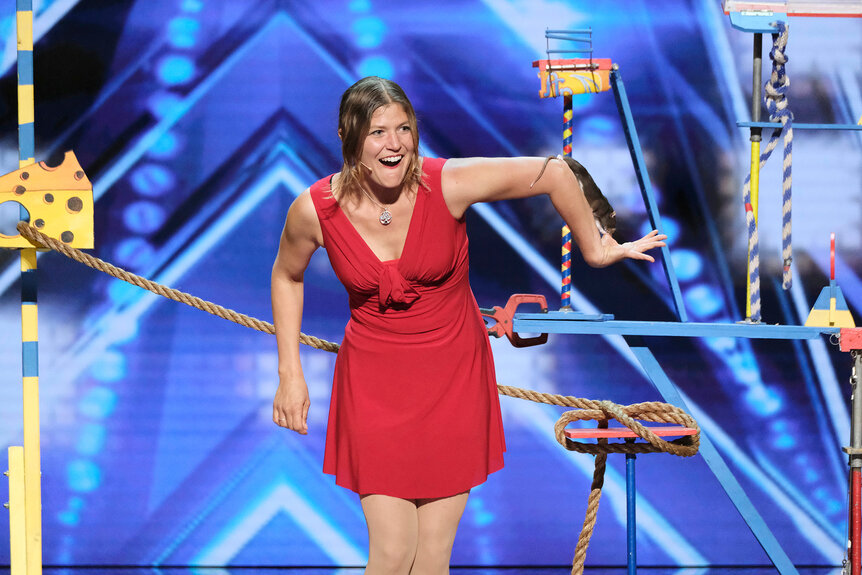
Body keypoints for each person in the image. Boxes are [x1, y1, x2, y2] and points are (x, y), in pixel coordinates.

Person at [270, 76, 666, 574]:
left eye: (404, 129)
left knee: (433, 558)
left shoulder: (448, 183)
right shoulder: (315, 210)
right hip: (373, 386)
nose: (394, 144)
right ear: (349, 136)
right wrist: (290, 372)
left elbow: (554, 172)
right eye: (377, 132)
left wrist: (596, 246)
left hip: (452, 378)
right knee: (392, 553)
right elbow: (287, 275)